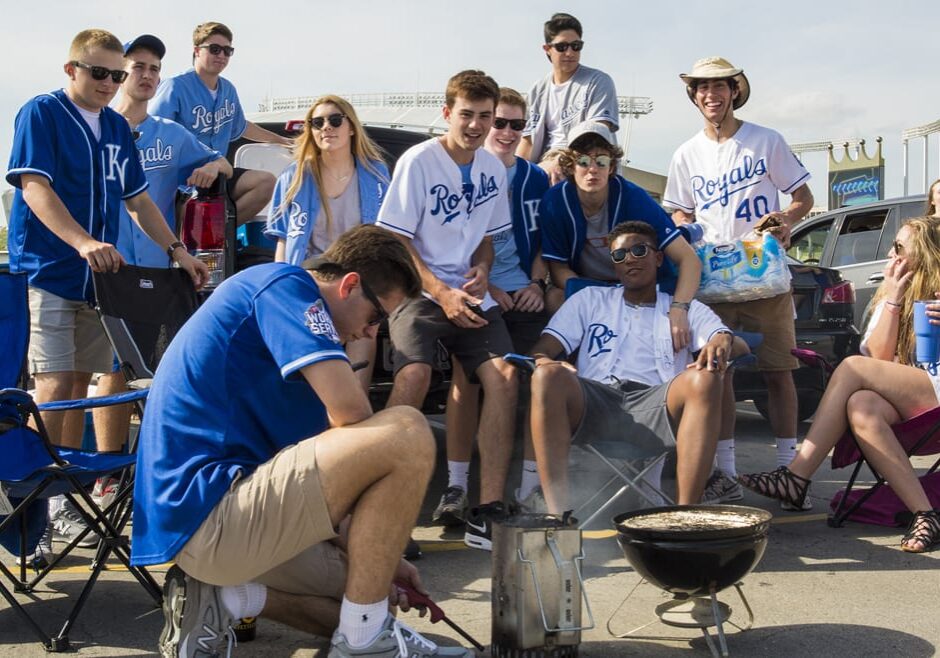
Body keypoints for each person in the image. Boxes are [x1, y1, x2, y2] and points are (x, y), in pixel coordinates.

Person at [131, 225, 472, 657]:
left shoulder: (294, 346)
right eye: (375, 320)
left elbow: (329, 485)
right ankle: (365, 643)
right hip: (206, 512)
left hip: (211, 523)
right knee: (405, 429)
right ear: (349, 285)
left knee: (371, 589)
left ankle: (230, 598)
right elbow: (353, 415)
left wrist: (385, 557)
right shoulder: (283, 284)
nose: (372, 335)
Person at [4, 29, 207, 555]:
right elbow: (34, 187)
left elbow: (139, 201)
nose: (109, 82)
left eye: (116, 74)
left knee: (79, 383)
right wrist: (83, 241)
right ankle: (34, 506)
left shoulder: (117, 127)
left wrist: (178, 251)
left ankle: (65, 500)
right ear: (71, 69)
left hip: (99, 278)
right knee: (50, 384)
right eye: (99, 72)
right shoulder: (41, 113)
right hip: (49, 269)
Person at [375, 70, 519, 551]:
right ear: (446, 114)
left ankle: (489, 510)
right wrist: (441, 291)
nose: (477, 126)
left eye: (486, 116)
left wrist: (480, 270)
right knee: (414, 375)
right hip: (419, 291)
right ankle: (377, 505)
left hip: (467, 293)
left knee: (504, 375)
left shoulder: (493, 169)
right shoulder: (418, 161)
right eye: (467, 115)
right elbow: (395, 238)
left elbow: (485, 238)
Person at [663, 56, 814, 506]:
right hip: (711, 278)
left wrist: (785, 220)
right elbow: (677, 209)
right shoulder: (685, 153)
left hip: (763, 273)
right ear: (694, 96)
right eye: (702, 88)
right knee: (719, 372)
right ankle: (725, 474)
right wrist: (682, 220)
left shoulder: (766, 140)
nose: (711, 95)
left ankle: (792, 475)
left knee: (779, 372)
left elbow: (803, 196)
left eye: (720, 87)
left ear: (735, 91)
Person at [739, 217, 940, 553]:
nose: (892, 255)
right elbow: (877, 358)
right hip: (910, 408)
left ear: (926, 254)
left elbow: (862, 366)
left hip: (935, 397)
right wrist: (893, 298)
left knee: (850, 368)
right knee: (862, 405)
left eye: (901, 248)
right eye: (894, 247)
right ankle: (925, 515)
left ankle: (796, 476)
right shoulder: (891, 292)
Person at [527, 222, 741, 513]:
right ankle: (558, 518)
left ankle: (684, 516)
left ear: (658, 258)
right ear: (614, 265)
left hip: (659, 406)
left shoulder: (680, 309)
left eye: (639, 250)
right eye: (619, 255)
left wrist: (722, 340)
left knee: (704, 379)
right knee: (546, 375)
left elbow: (729, 339)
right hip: (595, 403)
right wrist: (544, 361)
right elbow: (542, 349)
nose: (629, 258)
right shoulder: (589, 300)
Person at [92, 34, 233, 468]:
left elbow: (224, 163)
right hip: (104, 266)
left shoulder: (170, 133)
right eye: (138, 67)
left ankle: (156, 467)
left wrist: (212, 165)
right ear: (119, 73)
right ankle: (107, 469)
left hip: (157, 266)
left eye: (155, 68)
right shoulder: (94, 128)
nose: (148, 75)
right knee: (111, 373)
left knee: (160, 370)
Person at [432, 87, 552, 527]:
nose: (504, 131)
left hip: (526, 292)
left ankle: (528, 484)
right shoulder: (459, 169)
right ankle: (458, 483)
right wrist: (492, 288)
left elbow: (547, 244)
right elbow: (458, 245)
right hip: (480, 291)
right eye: (498, 122)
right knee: (468, 378)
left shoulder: (535, 178)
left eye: (516, 125)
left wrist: (538, 283)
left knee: (542, 376)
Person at [540, 120, 702, 351]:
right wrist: (603, 296)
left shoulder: (633, 197)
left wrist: (679, 308)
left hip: (642, 286)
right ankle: (573, 364)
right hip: (591, 286)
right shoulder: (555, 201)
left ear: (612, 167)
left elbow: (689, 260)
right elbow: (558, 270)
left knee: (693, 327)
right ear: (570, 166)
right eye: (583, 161)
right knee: (555, 297)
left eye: (602, 161)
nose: (592, 169)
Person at [265, 95, 389, 392]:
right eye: (317, 122)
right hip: (311, 278)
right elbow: (283, 240)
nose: (326, 128)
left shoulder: (375, 174)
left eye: (335, 120)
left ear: (351, 128)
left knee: (364, 328)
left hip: (359, 278)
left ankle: (354, 414)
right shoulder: (294, 176)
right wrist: (280, 285)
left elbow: (387, 236)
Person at [150, 21, 292, 224]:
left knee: (265, 182)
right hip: (181, 182)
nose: (221, 56)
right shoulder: (174, 86)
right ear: (197, 50)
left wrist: (281, 140)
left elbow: (242, 126)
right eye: (215, 49)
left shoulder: (228, 90)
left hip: (218, 174)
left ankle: (218, 232)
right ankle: (194, 237)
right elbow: (154, 130)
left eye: (227, 51)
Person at [517, 12, 619, 178]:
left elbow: (595, 135)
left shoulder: (598, 81)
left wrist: (557, 161)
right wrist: (514, 174)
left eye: (576, 46)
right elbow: (527, 142)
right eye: (562, 47)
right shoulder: (537, 90)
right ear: (547, 49)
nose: (570, 53)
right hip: (544, 168)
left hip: (586, 168)